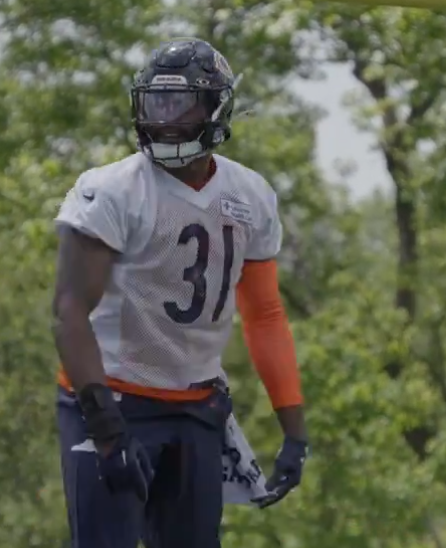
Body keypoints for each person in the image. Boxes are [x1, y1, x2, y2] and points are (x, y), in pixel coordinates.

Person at [51, 38, 307, 548]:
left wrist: (294, 428)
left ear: (215, 108)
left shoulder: (250, 195)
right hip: (111, 400)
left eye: (180, 103)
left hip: (196, 409)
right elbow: (69, 313)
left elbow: (264, 315)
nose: (165, 119)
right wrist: (106, 429)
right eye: (156, 102)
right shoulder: (112, 189)